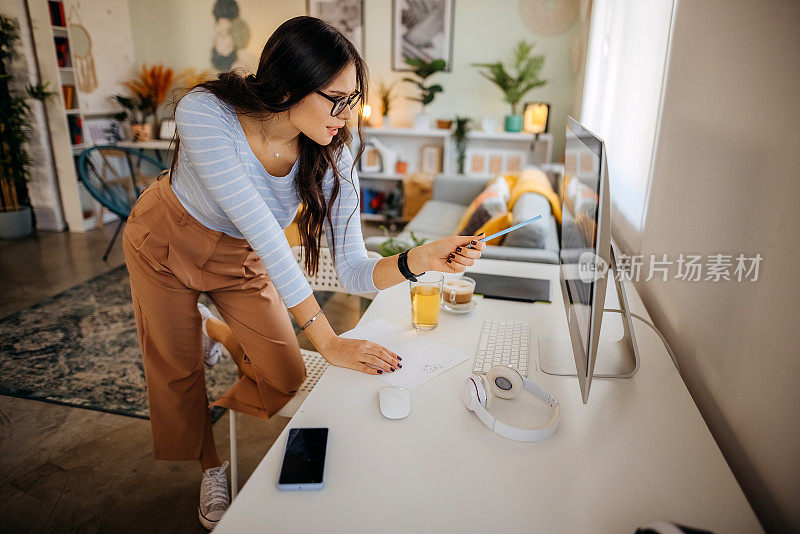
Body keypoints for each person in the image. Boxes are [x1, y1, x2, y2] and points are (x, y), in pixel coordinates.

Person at [122, 16, 485, 530]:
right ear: (290, 83)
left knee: (287, 373)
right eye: (335, 98)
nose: (345, 114)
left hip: (240, 258)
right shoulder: (205, 113)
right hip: (164, 239)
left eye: (351, 98)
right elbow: (267, 234)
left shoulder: (335, 153)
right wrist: (329, 340)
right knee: (178, 369)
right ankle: (210, 465)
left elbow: (355, 267)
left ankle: (214, 330)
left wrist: (417, 260)